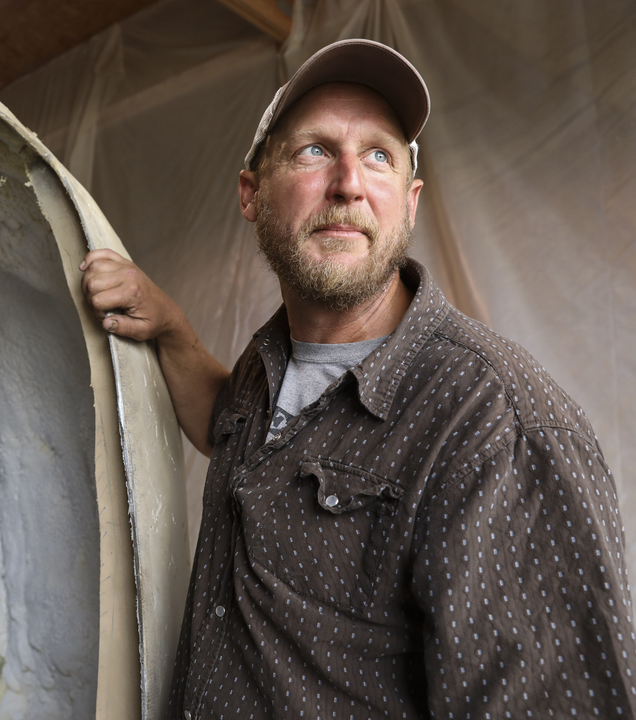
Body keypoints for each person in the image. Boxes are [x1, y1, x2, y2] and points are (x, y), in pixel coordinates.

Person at [80, 39, 636, 718]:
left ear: (408, 200)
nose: (349, 181)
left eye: (379, 154)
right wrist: (171, 328)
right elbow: (226, 423)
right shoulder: (270, 366)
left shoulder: (497, 424)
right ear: (251, 193)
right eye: (315, 149)